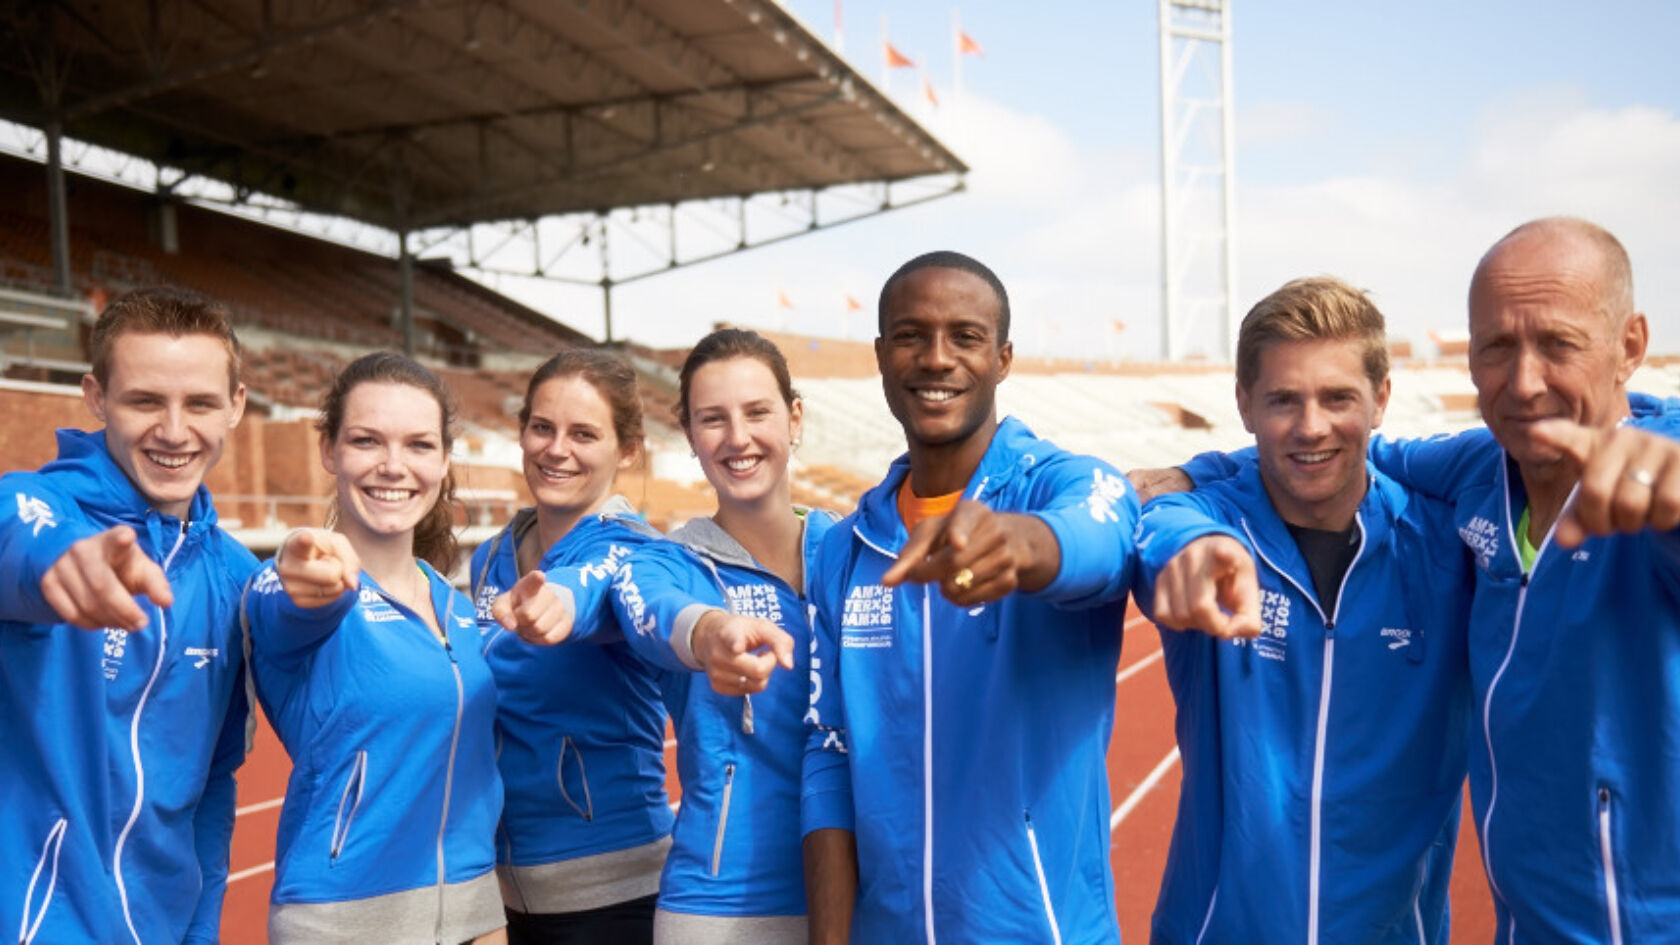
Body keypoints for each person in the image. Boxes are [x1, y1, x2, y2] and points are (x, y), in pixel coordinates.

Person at [1159, 218, 1680, 941]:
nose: (1524, 381)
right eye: (1498, 347)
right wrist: (1195, 475)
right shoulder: (1475, 475)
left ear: (1629, 347)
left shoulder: (1660, 481)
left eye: (1557, 343)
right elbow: (1339, 448)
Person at [802, 251, 1141, 943]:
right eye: (910, 334)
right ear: (880, 354)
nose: (936, 357)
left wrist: (1016, 543)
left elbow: (1098, 536)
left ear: (1003, 357)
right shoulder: (846, 548)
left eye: (965, 335)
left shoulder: (1063, 484)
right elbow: (829, 755)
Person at [1134, 278, 1473, 944]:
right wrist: (1196, 550)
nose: (1311, 425)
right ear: (1244, 404)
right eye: (1283, 399)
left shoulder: (1446, 544)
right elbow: (1165, 528)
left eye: (1337, 397)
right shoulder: (1200, 518)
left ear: (1381, 400)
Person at [0, 287, 255, 943]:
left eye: (199, 402)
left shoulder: (235, 577)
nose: (173, 430)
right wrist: (58, 561)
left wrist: (200, 932)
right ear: (96, 397)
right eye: (145, 400)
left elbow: (214, 783)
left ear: (236, 405)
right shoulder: (39, 506)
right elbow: (14, 530)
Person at [243, 353, 505, 943]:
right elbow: (293, 599)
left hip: (474, 911)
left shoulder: (458, 610)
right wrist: (303, 566)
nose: (393, 466)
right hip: (344, 921)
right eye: (366, 441)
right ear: (329, 451)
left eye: (418, 445)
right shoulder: (293, 586)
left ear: (442, 461)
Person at [606, 328, 833, 944]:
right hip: (723, 907)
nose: (737, 438)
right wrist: (711, 635)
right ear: (689, 436)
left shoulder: (850, 549)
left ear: (794, 418)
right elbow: (655, 612)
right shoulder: (667, 562)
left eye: (757, 412)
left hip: (865, 893)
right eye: (713, 419)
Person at [470, 348, 671, 945]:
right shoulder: (490, 556)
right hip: (502, 892)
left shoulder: (632, 553)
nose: (556, 449)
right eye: (542, 427)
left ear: (627, 449)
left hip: (613, 893)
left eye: (584, 433)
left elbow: (593, 590)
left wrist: (561, 603)